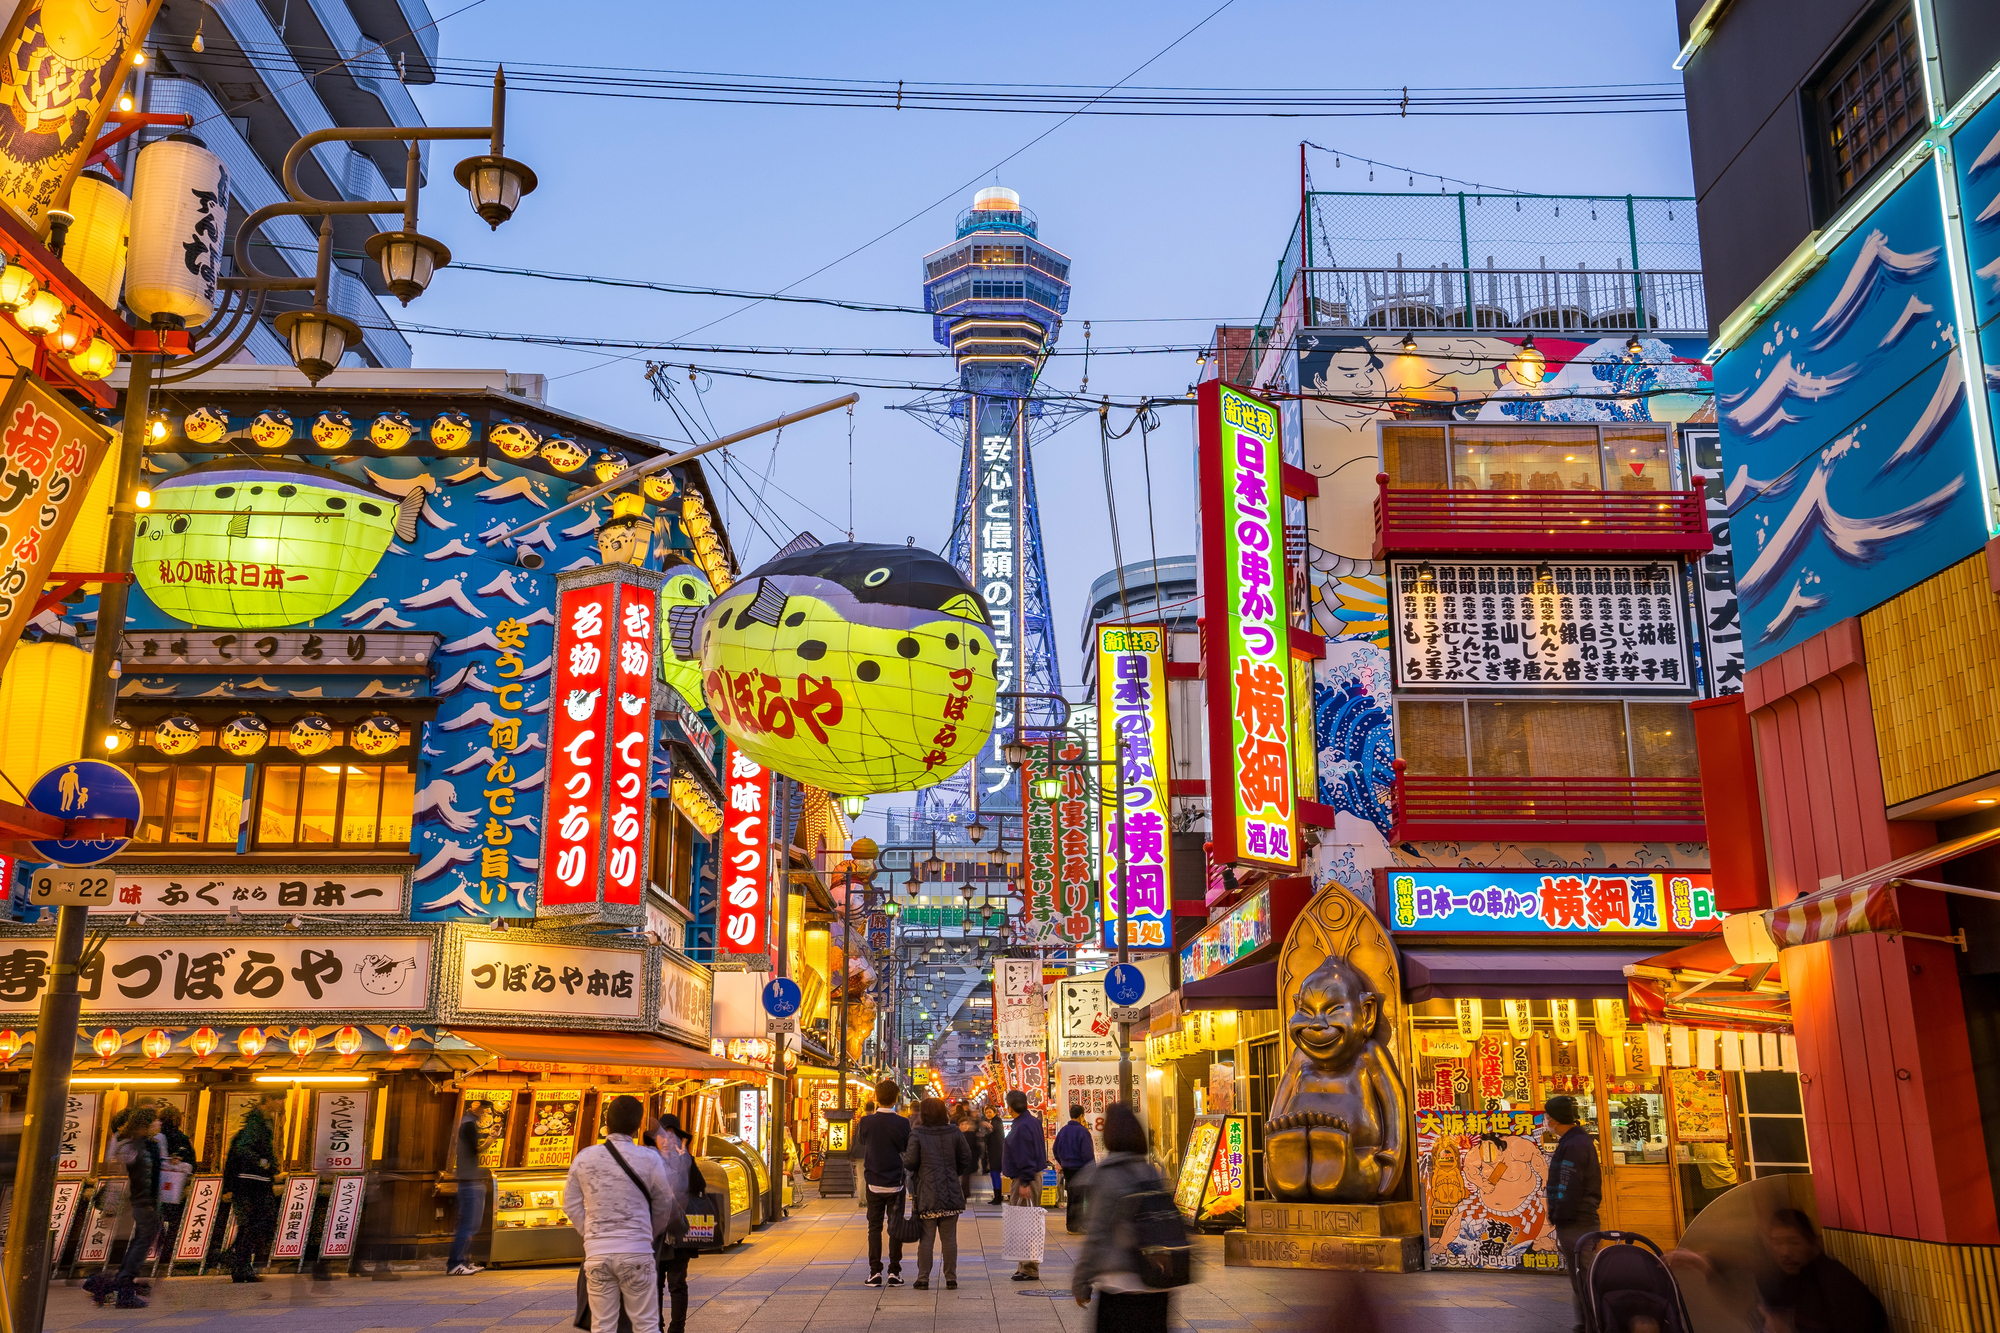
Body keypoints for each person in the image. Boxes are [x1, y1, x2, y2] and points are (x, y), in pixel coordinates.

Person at [564, 1096, 675, 1333]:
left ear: (607, 1121)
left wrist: (590, 1233)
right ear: (638, 1125)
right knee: (646, 1325)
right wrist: (647, 1233)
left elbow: (570, 1204)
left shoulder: (584, 1157)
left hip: (597, 1254)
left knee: (603, 1325)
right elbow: (665, 1203)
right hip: (637, 1251)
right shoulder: (649, 1158)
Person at [1071, 1103, 1172, 1333]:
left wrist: (1081, 1282)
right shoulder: (1150, 1172)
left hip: (1120, 1286)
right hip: (1157, 1283)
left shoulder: (1107, 1175)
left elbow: (1096, 1235)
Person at [1755, 1209, 1887, 1333]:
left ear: (1812, 1243)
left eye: (1794, 1242)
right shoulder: (1778, 1280)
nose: (1785, 1252)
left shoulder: (1835, 1282)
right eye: (1777, 1243)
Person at [83, 1107, 162, 1308]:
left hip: (140, 1203)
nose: (158, 1124)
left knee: (134, 1247)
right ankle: (118, 1289)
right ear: (145, 1124)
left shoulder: (146, 1144)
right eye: (155, 1120)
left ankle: (107, 1286)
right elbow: (122, 1177)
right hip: (133, 1202)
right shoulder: (130, 1146)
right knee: (135, 1248)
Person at [1545, 1095, 1603, 1333]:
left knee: (1585, 1276)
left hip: (1577, 1222)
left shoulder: (1574, 1145)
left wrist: (1559, 1214)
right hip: (1577, 1220)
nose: (1546, 1121)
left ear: (1556, 1118)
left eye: (1547, 1116)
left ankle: (1595, 1325)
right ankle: (1586, 1324)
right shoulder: (1575, 1141)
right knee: (1580, 1276)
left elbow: (1568, 1184)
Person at [901, 1097, 972, 1290]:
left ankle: (923, 1278)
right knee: (949, 1238)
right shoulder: (955, 1132)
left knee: (926, 1238)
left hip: (926, 1193)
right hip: (950, 1191)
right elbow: (966, 1158)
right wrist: (952, 1172)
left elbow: (909, 1162)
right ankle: (951, 1278)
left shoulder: (917, 1133)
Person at [648, 1114, 708, 1333]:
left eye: (671, 1136)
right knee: (654, 1285)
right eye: (662, 1136)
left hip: (679, 1230)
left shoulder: (686, 1160)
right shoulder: (648, 1161)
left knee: (677, 1283)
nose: (666, 1140)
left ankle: (677, 1328)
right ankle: (657, 1327)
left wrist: (688, 1163)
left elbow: (700, 1187)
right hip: (654, 1233)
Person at [223, 1091, 287, 1283]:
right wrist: (263, 1162)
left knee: (250, 1224)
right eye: (279, 1099)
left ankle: (240, 1264)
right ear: (269, 1099)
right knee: (262, 1222)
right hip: (252, 1181)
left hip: (254, 1181)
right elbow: (244, 1148)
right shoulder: (256, 1123)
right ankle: (235, 1258)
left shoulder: (261, 1121)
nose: (281, 1103)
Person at [855, 1079, 910, 1287]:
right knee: (895, 1228)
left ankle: (874, 1272)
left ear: (876, 1097)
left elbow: (861, 1141)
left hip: (873, 1182)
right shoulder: (903, 1123)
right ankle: (894, 1272)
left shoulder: (866, 1122)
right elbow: (906, 1146)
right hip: (896, 1182)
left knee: (874, 1227)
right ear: (896, 1098)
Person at [1002, 1089, 1048, 1282]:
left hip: (1024, 1179)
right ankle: (1024, 1265)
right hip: (1030, 1176)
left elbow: (1025, 1156)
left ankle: (1029, 1268)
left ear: (1010, 1107)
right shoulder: (1033, 1122)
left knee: (1025, 1224)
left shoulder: (1021, 1127)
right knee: (1026, 1222)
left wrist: (1025, 1182)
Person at [449, 1101, 489, 1275]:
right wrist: (491, 1140)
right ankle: (455, 1264)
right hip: (468, 1181)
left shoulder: (467, 1123)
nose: (485, 1113)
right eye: (485, 1110)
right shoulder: (468, 1125)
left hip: (470, 1180)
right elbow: (475, 1150)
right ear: (477, 1108)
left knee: (471, 1225)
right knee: (466, 1225)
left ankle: (465, 1261)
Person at [1054, 1105, 1096, 1234]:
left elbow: (1055, 1149)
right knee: (1079, 1198)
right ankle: (1077, 1226)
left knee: (1072, 1196)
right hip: (1080, 1169)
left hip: (1067, 1168)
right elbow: (1087, 1153)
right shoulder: (1083, 1131)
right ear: (1081, 1116)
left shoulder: (1063, 1131)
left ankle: (1071, 1225)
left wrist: (1062, 1163)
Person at [955, 1116, 980, 1211]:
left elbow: (975, 1150)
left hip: (968, 1161)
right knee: (963, 1178)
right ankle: (963, 1194)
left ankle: (964, 1195)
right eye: (962, 1124)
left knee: (965, 1178)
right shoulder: (958, 1135)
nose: (964, 1126)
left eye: (966, 1124)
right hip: (962, 1161)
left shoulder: (970, 1135)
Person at [979, 1109, 1004, 1203]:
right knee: (994, 1174)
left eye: (990, 1112)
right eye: (986, 1112)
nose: (988, 1114)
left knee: (995, 1173)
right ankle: (996, 1196)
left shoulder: (997, 1121)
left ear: (994, 1112)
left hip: (997, 1151)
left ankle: (998, 1197)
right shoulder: (989, 1122)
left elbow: (995, 1128)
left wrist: (987, 1125)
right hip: (991, 1151)